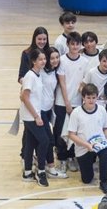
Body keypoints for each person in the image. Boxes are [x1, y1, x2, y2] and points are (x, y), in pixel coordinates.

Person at [68, 84, 107, 194]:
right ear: (83, 98)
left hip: (99, 145)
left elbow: (106, 127)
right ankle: (89, 164)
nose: (91, 100)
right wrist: (87, 145)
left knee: (106, 151)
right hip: (84, 148)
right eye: (88, 98)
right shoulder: (76, 113)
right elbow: (71, 134)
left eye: (93, 97)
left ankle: (104, 182)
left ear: (97, 97)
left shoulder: (102, 110)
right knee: (87, 179)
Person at [54, 32, 89, 172]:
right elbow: (62, 83)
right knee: (60, 131)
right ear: (67, 45)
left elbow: (83, 82)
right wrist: (67, 102)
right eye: (72, 44)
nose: (75, 46)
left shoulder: (85, 62)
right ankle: (62, 158)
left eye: (77, 44)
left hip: (77, 102)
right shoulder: (62, 60)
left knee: (74, 131)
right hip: (62, 102)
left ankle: (71, 157)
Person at [20, 48, 49, 187]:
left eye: (44, 59)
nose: (43, 61)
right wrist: (36, 116)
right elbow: (24, 97)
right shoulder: (30, 76)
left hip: (33, 114)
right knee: (44, 141)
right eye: (40, 59)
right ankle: (41, 171)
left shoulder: (38, 74)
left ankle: (27, 172)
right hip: (31, 116)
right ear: (33, 61)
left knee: (30, 143)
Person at [42, 47, 68, 179]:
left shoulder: (54, 72)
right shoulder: (41, 72)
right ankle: (50, 167)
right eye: (52, 58)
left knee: (46, 139)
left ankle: (42, 163)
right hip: (40, 110)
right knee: (49, 139)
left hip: (48, 110)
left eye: (57, 57)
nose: (55, 60)